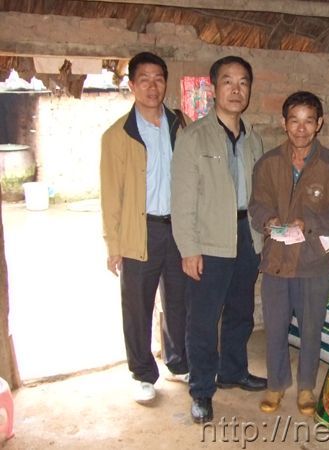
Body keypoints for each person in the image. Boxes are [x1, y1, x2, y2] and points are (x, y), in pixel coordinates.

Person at [248, 91, 329, 416]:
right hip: (276, 262)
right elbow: (257, 204)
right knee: (275, 327)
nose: (301, 128)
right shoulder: (268, 164)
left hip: (313, 264)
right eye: (294, 121)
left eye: (308, 121)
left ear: (319, 123)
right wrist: (268, 220)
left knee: (312, 328)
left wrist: (309, 223)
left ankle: (307, 387)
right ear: (284, 123)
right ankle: (276, 384)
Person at [171, 56, 266, 424]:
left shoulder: (253, 139)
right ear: (214, 88)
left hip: (246, 235)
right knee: (203, 319)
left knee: (241, 311)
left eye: (243, 82)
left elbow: (260, 193)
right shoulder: (194, 137)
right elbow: (182, 200)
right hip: (209, 240)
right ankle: (201, 390)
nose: (236, 89)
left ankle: (233, 371)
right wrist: (189, 249)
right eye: (228, 81)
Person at [100, 52, 189, 405]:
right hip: (140, 230)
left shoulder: (180, 125)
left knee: (179, 300)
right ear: (132, 85)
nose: (153, 87)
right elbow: (111, 194)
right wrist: (113, 245)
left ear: (165, 83)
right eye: (144, 80)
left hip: (178, 229)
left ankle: (178, 363)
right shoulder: (117, 135)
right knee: (138, 305)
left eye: (158, 79)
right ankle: (142, 374)